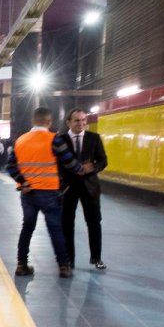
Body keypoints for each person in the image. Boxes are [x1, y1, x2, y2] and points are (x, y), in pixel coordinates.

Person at [6, 108, 83, 278]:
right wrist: (80, 168)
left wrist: (23, 181)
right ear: (49, 122)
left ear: (33, 121)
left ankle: (21, 265)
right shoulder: (54, 139)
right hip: (49, 192)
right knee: (55, 229)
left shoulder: (20, 140)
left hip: (27, 193)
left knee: (27, 228)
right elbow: (69, 162)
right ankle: (64, 266)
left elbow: (10, 166)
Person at [59, 108, 109, 270]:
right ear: (68, 122)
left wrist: (92, 168)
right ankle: (69, 260)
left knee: (94, 222)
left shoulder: (94, 138)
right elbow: (56, 163)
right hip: (68, 188)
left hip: (90, 188)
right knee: (67, 223)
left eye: (83, 120)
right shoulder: (60, 140)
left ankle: (96, 257)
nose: (81, 124)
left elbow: (103, 161)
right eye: (77, 121)